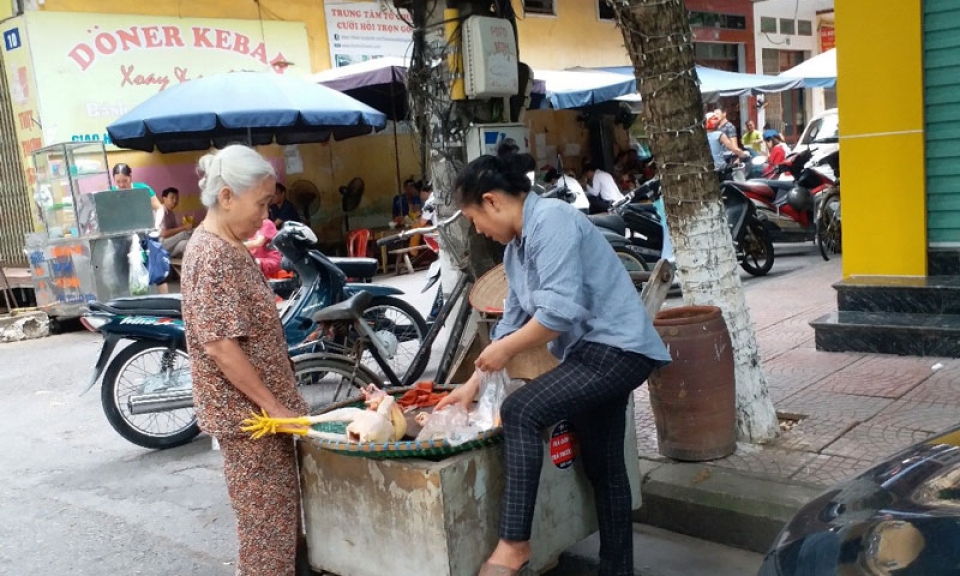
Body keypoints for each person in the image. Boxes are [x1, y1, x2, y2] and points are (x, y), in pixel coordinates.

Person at [436, 153, 671, 576]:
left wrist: (505, 353)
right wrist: (470, 386)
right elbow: (510, 325)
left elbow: (558, 314)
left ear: (492, 202)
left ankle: (513, 544)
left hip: (617, 350)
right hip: (593, 353)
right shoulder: (515, 252)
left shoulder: (553, 220)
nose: (478, 229)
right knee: (604, 468)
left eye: (473, 218)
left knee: (521, 410)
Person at [179, 144, 308, 576]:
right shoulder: (212, 255)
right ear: (227, 197)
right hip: (252, 423)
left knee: (277, 530)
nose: (266, 215)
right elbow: (219, 346)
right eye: (261, 204)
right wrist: (273, 407)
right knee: (266, 541)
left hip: (265, 419)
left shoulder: (229, 244)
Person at [154, 187, 192, 258]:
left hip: (168, 247)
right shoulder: (161, 211)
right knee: (185, 233)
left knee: (184, 244)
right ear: (164, 198)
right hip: (159, 245)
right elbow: (164, 234)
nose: (175, 200)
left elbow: (175, 231)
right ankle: (202, 244)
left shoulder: (171, 213)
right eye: (172, 197)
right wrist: (183, 227)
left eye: (177, 198)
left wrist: (185, 225)